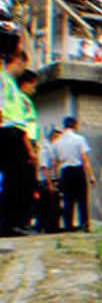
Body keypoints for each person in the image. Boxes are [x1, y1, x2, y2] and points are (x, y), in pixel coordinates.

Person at [0, 56, 38, 234]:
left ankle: (12, 223)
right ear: (16, 61)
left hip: (16, 133)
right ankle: (10, 223)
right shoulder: (4, 80)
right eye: (22, 64)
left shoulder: (11, 84)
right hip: (9, 131)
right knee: (14, 181)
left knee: (15, 181)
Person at [52, 116, 93, 232]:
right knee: (82, 200)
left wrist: (57, 178)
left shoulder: (57, 142)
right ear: (75, 125)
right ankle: (85, 224)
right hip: (78, 170)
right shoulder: (79, 139)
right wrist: (90, 176)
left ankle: (68, 225)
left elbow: (55, 162)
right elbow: (84, 159)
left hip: (65, 172)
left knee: (68, 200)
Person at [36, 125, 61, 233]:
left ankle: (52, 227)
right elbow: (44, 168)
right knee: (46, 206)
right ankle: (46, 228)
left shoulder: (52, 149)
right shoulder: (44, 150)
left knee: (54, 207)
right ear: (53, 137)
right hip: (46, 182)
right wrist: (49, 184)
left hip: (52, 180)